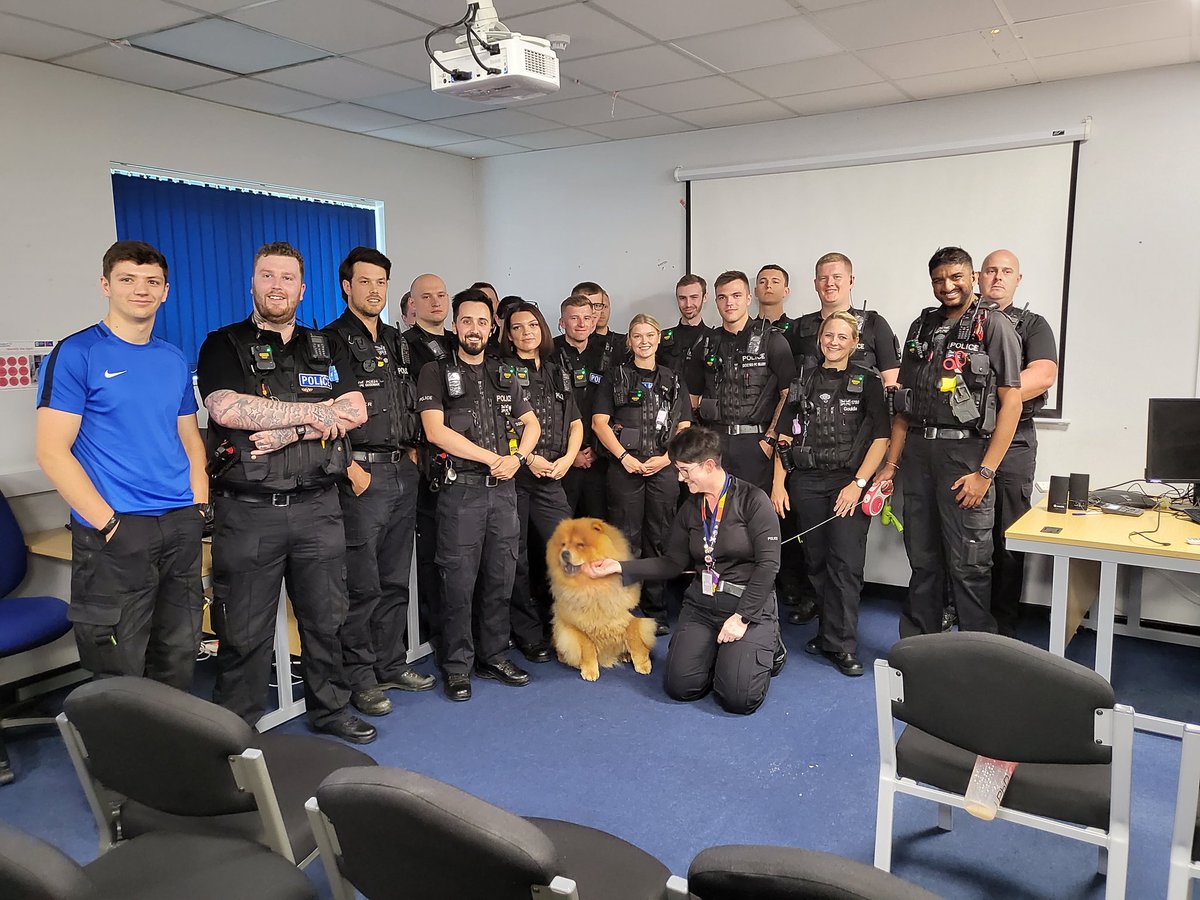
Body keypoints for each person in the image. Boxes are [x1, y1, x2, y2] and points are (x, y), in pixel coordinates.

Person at [197, 241, 374, 743]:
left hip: (319, 505)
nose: (277, 286)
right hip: (250, 513)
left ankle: (330, 708)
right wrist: (317, 413)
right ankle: (236, 727)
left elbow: (356, 411)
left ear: (303, 287)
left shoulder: (327, 345)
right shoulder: (223, 344)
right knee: (243, 630)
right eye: (267, 276)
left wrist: (289, 429)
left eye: (288, 277)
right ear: (252, 284)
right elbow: (228, 410)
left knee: (326, 618)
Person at [36, 240, 207, 690]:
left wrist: (199, 506)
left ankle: (172, 752)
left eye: (152, 282)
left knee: (179, 648)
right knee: (118, 661)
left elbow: (189, 437)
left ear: (166, 291)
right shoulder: (77, 354)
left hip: (178, 524)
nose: (141, 290)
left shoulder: (171, 359)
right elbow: (52, 452)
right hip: (116, 530)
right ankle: (123, 760)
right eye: (127, 279)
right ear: (105, 285)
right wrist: (110, 524)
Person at [584, 427, 781, 715]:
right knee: (681, 688)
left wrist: (742, 618)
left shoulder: (754, 500)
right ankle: (722, 652)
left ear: (709, 465)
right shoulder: (691, 506)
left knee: (738, 700)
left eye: (686, 471)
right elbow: (672, 563)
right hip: (702, 605)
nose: (680, 477)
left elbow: (768, 565)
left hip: (746, 607)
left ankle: (771, 646)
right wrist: (619, 567)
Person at [880, 246, 1023, 637]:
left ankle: (977, 655)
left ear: (973, 277)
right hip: (919, 455)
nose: (948, 286)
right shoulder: (921, 326)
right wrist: (891, 465)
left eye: (956, 277)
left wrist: (986, 472)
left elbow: (1011, 401)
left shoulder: (994, 326)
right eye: (939, 280)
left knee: (969, 564)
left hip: (966, 456)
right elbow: (903, 403)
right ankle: (918, 650)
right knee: (923, 561)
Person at [323, 247, 435, 720]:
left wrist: (411, 454)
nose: (374, 290)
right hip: (360, 474)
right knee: (362, 584)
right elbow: (324, 414)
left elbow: (410, 404)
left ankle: (390, 662)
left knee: (394, 579)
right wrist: (349, 468)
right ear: (347, 286)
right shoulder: (326, 341)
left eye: (382, 283)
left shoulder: (397, 341)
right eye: (365, 282)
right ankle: (360, 675)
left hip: (400, 469)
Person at [417, 289, 541, 701]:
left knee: (500, 578)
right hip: (462, 494)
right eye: (466, 321)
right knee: (458, 583)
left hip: (504, 492)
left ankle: (493, 654)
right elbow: (436, 431)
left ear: (493, 328)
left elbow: (532, 424)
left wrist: (519, 457)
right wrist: (492, 458)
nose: (474, 329)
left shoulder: (505, 372)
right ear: (455, 326)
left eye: (482, 322)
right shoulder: (435, 372)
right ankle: (457, 665)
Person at [770, 312, 890, 676]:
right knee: (817, 562)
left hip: (848, 483)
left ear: (855, 343)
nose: (834, 342)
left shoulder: (867, 382)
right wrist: (778, 484)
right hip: (806, 482)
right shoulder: (802, 381)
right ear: (820, 338)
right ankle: (827, 635)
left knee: (846, 565)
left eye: (843, 336)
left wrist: (857, 484)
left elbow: (881, 439)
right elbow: (784, 438)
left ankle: (843, 645)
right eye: (828, 335)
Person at [592, 314, 691, 634]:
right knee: (626, 540)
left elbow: (684, 426)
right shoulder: (614, 377)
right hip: (625, 469)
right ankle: (625, 609)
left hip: (663, 468)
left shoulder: (674, 379)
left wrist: (666, 459)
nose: (644, 341)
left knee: (659, 539)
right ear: (629, 341)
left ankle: (656, 609)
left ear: (659, 338)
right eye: (637, 335)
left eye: (650, 334)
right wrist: (623, 457)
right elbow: (599, 423)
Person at [977, 249, 1058, 637]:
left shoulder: (1032, 324)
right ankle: (961, 611)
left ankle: (1003, 622)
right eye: (991, 271)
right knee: (960, 532)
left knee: (1005, 533)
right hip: (963, 441)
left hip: (1013, 443)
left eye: (1006, 272)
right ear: (978, 276)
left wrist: (987, 395)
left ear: (1018, 279)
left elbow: (1042, 375)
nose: (997, 277)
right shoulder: (959, 322)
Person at [500, 301, 582, 663]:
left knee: (566, 553)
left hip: (554, 474)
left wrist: (566, 459)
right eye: (517, 327)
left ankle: (565, 629)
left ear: (543, 329)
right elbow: (503, 424)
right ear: (508, 334)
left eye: (532, 325)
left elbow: (575, 422)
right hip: (517, 474)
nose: (526, 332)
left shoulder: (557, 371)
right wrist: (529, 459)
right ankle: (527, 633)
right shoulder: (499, 371)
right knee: (515, 558)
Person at [688, 270, 796, 493]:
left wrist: (769, 440)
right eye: (722, 297)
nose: (729, 303)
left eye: (736, 296)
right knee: (714, 515)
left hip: (755, 443)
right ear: (716, 301)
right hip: (713, 445)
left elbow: (789, 394)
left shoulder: (772, 340)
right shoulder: (706, 343)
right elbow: (691, 399)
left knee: (753, 517)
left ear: (749, 298)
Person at [402, 273, 455, 653]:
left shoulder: (460, 343)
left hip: (469, 461)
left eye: (441, 295)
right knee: (432, 552)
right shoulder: (403, 346)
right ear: (413, 305)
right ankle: (432, 632)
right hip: (426, 461)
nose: (435, 302)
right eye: (426, 297)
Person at [791, 253, 901, 388]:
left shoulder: (874, 324)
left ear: (851, 281)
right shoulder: (797, 328)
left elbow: (892, 382)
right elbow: (785, 387)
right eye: (823, 278)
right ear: (815, 284)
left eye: (837, 277)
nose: (829, 283)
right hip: (808, 407)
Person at [554, 294, 607, 519]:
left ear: (594, 321)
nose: (582, 324)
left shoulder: (607, 353)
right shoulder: (549, 354)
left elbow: (612, 406)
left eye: (587, 318)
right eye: (574, 318)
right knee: (561, 527)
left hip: (599, 454)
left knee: (597, 526)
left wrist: (597, 449)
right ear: (562, 323)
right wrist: (571, 453)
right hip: (561, 457)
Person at [657, 274, 711, 389]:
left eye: (694, 297)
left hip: (700, 405)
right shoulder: (661, 338)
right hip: (668, 404)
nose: (688, 304)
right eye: (682, 298)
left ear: (705, 297)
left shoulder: (714, 338)